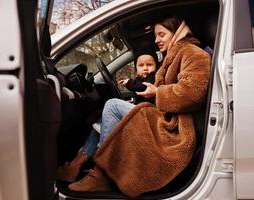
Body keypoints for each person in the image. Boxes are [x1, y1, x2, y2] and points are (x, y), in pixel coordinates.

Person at [63, 16, 211, 197]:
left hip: (174, 127)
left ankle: (102, 174)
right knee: (104, 116)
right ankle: (78, 166)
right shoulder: (173, 56)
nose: (156, 40)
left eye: (161, 35)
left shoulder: (193, 53)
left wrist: (157, 93)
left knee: (111, 106)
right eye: (156, 35)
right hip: (164, 116)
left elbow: (192, 94)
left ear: (177, 33)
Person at [57, 52, 159, 183]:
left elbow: (143, 89)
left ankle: (102, 166)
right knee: (101, 122)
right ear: (136, 68)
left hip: (148, 114)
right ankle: (75, 165)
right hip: (140, 111)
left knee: (111, 105)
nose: (145, 68)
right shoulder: (139, 78)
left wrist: (129, 83)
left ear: (156, 66)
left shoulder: (153, 78)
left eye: (149, 65)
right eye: (141, 65)